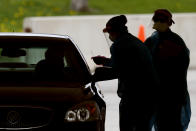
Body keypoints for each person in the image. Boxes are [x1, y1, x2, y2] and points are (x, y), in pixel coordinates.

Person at [92, 15, 158, 131]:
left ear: (114, 32)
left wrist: (95, 75)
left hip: (134, 98)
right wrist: (105, 61)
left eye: (110, 32)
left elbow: (117, 71)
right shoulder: (133, 42)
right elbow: (125, 64)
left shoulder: (119, 45)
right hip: (149, 97)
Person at [144, 9, 191, 131]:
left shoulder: (173, 42)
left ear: (166, 23)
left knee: (169, 125)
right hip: (162, 94)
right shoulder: (154, 40)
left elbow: (179, 69)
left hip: (171, 95)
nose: (156, 23)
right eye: (155, 20)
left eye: (159, 20)